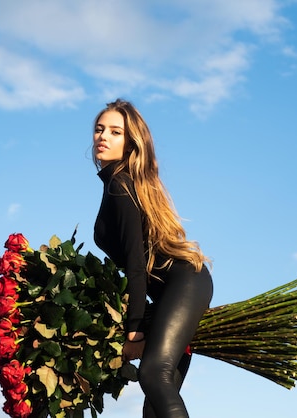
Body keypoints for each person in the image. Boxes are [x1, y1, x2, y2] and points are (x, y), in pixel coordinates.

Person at [92, 98, 213, 418]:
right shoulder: (122, 183)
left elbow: (135, 263)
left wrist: (134, 330)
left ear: (131, 142)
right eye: (99, 129)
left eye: (115, 132)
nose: (102, 136)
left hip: (183, 284)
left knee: (152, 373)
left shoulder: (120, 184)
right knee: (153, 411)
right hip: (171, 295)